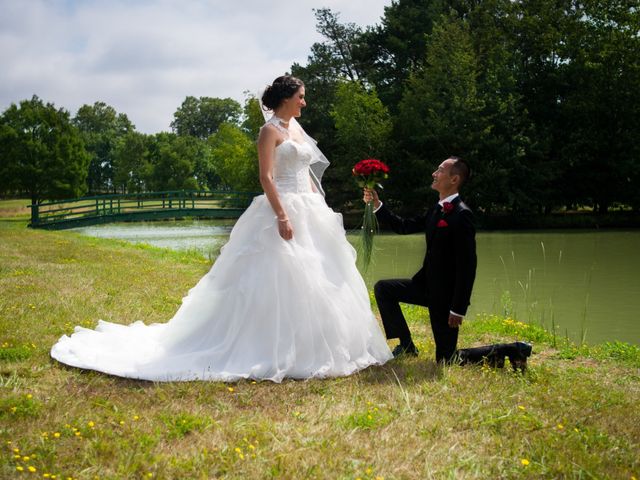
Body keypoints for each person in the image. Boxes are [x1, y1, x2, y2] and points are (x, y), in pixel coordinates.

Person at [51, 75, 392, 382]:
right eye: (301, 96)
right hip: (282, 208)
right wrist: (282, 216)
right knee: (279, 276)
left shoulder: (298, 131)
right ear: (287, 98)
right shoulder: (269, 131)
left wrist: (322, 207)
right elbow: (266, 177)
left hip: (310, 209)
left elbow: (308, 174)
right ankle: (266, 345)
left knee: (322, 277)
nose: (305, 102)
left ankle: (319, 344)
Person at [364, 157, 477, 363]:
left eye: (440, 170)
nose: (434, 173)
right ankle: (406, 345)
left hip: (445, 298)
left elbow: (467, 266)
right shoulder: (437, 209)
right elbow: (404, 226)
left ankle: (513, 350)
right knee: (383, 289)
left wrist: (458, 308)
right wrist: (378, 205)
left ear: (454, 179)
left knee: (446, 360)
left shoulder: (462, 215)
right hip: (425, 287)